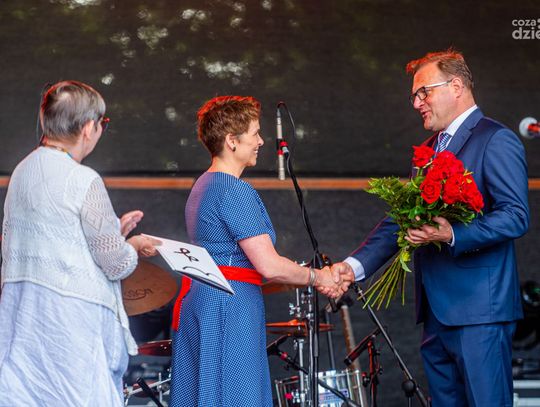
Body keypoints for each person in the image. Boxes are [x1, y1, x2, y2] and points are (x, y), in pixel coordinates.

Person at [332, 49, 529, 406]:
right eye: (414, 96)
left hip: (480, 313)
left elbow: (515, 215)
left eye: (423, 92)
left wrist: (452, 234)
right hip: (436, 316)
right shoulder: (427, 150)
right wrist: (353, 267)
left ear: (456, 86)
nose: (416, 103)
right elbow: (403, 219)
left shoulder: (495, 138)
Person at [169, 96, 354, 407]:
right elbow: (268, 265)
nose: (261, 141)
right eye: (255, 133)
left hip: (203, 301)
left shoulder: (203, 185)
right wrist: (318, 277)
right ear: (231, 141)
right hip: (229, 307)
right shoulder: (233, 189)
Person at [0, 80, 159, 406]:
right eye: (102, 123)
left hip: (25, 319)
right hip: (70, 326)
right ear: (88, 127)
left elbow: (51, 236)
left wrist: (113, 230)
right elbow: (116, 264)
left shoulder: (23, 171)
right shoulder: (83, 179)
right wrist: (133, 244)